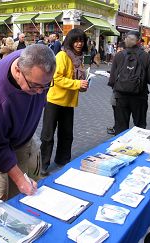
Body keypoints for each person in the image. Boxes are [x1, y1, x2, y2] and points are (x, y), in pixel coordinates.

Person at [0, 45, 56, 200]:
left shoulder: (36, 65)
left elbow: (39, 90)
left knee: (21, 195)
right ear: (18, 71)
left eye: (46, 85)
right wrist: (19, 178)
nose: (40, 91)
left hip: (21, 142)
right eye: (35, 86)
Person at [40, 28, 89, 176]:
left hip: (68, 102)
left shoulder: (79, 59)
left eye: (82, 41)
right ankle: (43, 164)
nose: (79, 44)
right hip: (54, 101)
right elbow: (57, 78)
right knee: (48, 135)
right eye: (76, 40)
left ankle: (63, 160)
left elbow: (77, 81)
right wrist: (76, 84)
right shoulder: (62, 55)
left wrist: (83, 86)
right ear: (70, 41)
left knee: (67, 134)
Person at [108, 31, 150, 135]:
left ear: (126, 40)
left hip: (121, 97)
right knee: (140, 127)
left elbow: (112, 80)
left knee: (120, 128)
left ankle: (120, 149)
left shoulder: (118, 56)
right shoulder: (146, 57)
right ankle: (137, 149)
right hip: (140, 98)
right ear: (139, 41)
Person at [106, 41, 125, 135]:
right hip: (122, 88)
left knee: (117, 108)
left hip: (118, 89)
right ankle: (117, 127)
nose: (118, 51)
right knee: (118, 109)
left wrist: (111, 82)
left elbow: (114, 74)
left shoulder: (120, 57)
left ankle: (117, 129)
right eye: (118, 49)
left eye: (120, 49)